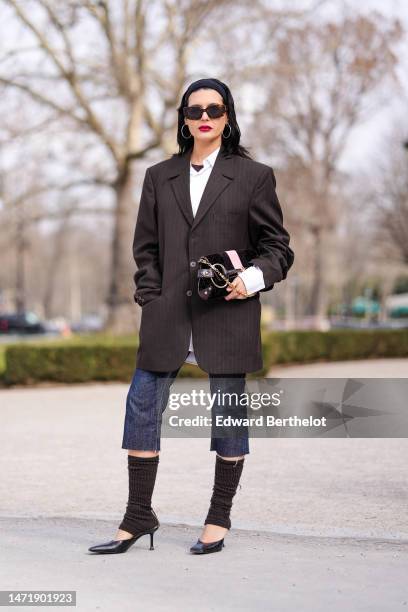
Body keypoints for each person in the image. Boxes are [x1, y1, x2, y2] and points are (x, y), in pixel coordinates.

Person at [88, 77, 294, 556]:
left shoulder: (254, 176)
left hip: (227, 316)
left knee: (227, 417)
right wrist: (150, 295)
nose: (204, 117)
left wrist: (255, 278)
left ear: (228, 117)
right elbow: (146, 248)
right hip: (167, 317)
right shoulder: (159, 176)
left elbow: (277, 248)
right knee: (140, 408)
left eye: (214, 109)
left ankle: (219, 516)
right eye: (194, 110)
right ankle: (139, 514)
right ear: (183, 118)